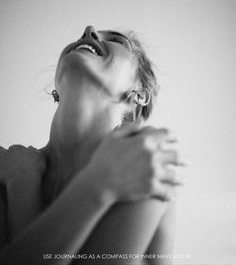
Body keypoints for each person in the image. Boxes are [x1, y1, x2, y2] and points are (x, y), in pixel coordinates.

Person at [0, 26, 187, 265]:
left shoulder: (145, 161)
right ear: (56, 89)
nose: (88, 31)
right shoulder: (5, 166)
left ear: (139, 94)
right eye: (83, 33)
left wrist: (23, 187)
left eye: (118, 41)